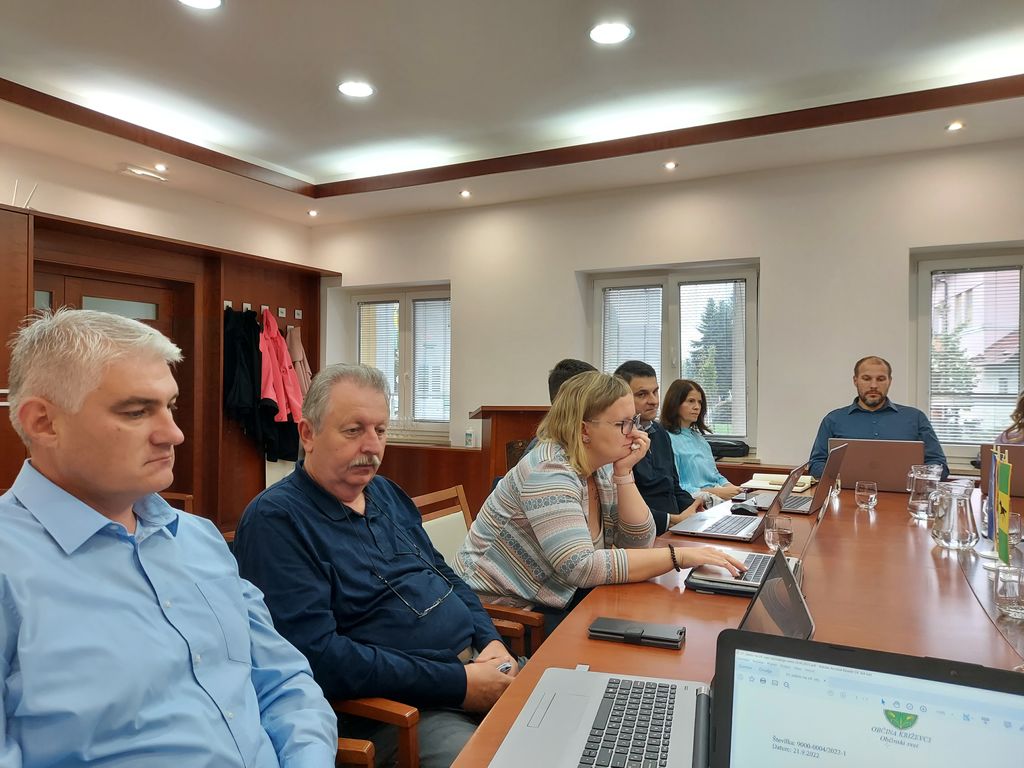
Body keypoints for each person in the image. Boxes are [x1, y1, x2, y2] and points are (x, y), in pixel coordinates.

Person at [0, 309, 337, 768]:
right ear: (44, 423)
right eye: (137, 412)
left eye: (170, 406)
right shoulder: (11, 567)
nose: (174, 434)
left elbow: (285, 682)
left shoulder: (198, 539)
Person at [233, 363, 518, 768]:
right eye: (354, 430)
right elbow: (319, 657)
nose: (372, 446)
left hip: (478, 669)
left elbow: (445, 576)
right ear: (308, 434)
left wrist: (490, 640)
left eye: (380, 430)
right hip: (398, 711)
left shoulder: (384, 492)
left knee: (577, 716)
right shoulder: (276, 521)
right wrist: (458, 683)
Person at [454, 372, 745, 632]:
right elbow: (580, 566)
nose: (635, 433)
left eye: (634, 421)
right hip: (501, 615)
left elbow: (638, 542)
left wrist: (624, 474)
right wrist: (678, 557)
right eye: (622, 424)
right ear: (584, 430)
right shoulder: (549, 470)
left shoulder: (601, 465)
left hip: (557, 596)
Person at [807, 356, 948, 477]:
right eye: (866, 378)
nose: (873, 385)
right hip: (847, 496)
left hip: (903, 497)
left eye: (880, 379)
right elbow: (816, 464)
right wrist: (844, 476)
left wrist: (915, 478)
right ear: (855, 381)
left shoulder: (915, 418)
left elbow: (939, 465)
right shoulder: (834, 419)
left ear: (889, 381)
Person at [613, 360, 703, 534]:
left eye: (655, 391)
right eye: (642, 394)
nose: (654, 401)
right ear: (621, 397)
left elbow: (673, 487)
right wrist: (673, 520)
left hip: (676, 527)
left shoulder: (660, 432)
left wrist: (697, 511)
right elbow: (620, 505)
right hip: (645, 532)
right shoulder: (617, 439)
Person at [660, 379, 743, 501]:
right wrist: (717, 492)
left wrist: (734, 489)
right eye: (691, 401)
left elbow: (715, 476)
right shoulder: (666, 440)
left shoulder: (700, 439)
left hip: (717, 499)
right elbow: (677, 488)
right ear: (675, 403)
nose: (697, 407)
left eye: (699, 402)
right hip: (694, 503)